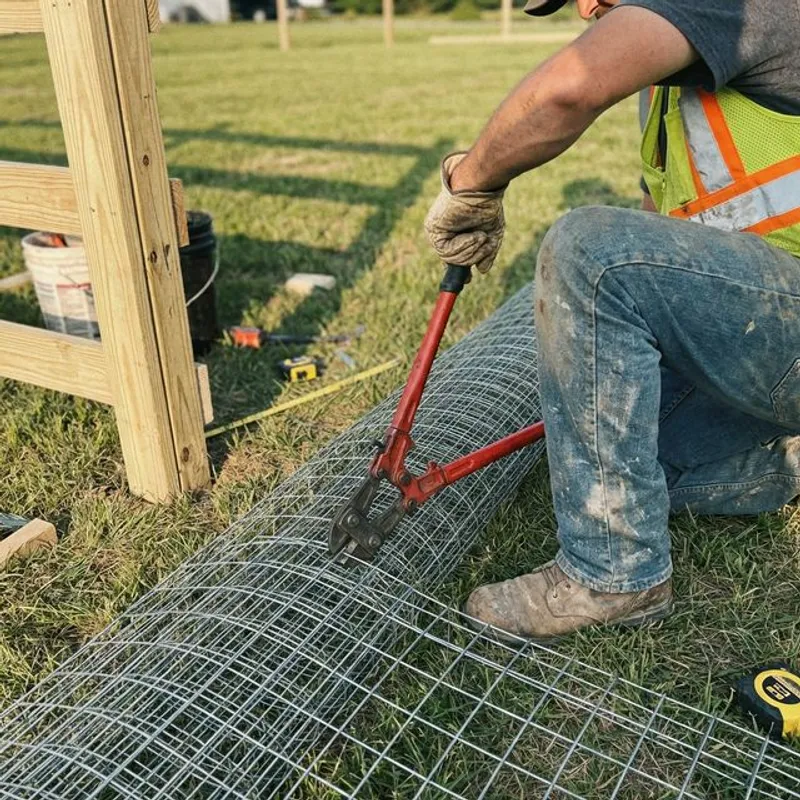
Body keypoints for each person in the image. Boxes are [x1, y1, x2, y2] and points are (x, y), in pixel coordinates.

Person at [424, 0, 800, 642]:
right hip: (764, 335)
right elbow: (668, 242)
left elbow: (570, 90)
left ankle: (613, 573)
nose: (585, 9)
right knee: (621, 456)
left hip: (781, 322)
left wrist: (472, 181)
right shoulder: (671, 86)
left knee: (589, 251)